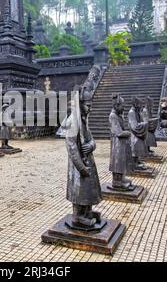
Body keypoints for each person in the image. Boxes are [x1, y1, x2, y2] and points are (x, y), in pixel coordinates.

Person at [63, 69, 102, 228]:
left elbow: (91, 139)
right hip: (78, 165)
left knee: (88, 189)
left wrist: (91, 145)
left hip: (88, 159)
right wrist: (81, 167)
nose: (90, 108)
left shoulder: (84, 120)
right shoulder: (74, 120)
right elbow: (71, 146)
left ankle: (87, 211)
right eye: (88, 105)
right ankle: (78, 216)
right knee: (79, 190)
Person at [109, 95, 135, 191]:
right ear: (116, 106)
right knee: (117, 162)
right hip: (117, 145)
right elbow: (119, 132)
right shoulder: (113, 116)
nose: (124, 108)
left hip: (121, 144)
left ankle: (122, 179)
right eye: (122, 106)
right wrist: (129, 133)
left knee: (121, 161)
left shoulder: (118, 115)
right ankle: (117, 182)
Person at [128, 97, 149, 171]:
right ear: (135, 104)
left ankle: (137, 160)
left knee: (138, 147)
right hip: (135, 134)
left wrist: (144, 122)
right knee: (135, 147)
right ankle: (134, 163)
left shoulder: (137, 111)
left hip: (138, 133)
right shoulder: (131, 112)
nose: (141, 106)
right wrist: (144, 124)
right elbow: (134, 126)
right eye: (139, 104)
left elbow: (142, 120)